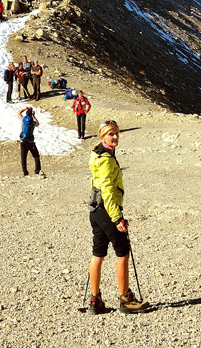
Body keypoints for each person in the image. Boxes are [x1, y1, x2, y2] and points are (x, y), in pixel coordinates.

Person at [87, 120, 148, 314]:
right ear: (102, 136)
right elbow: (107, 190)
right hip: (107, 210)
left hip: (95, 210)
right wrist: (117, 219)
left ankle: (95, 301)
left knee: (98, 254)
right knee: (122, 252)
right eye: (110, 134)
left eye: (117, 133)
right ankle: (125, 300)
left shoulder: (97, 153)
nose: (115, 137)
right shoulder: (105, 158)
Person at [18, 106, 42, 176]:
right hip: (30, 142)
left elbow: (19, 112)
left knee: (23, 157)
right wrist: (34, 116)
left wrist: (25, 108)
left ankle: (25, 172)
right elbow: (38, 123)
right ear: (31, 114)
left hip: (23, 141)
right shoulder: (32, 122)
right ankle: (37, 171)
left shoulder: (22, 120)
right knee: (36, 155)